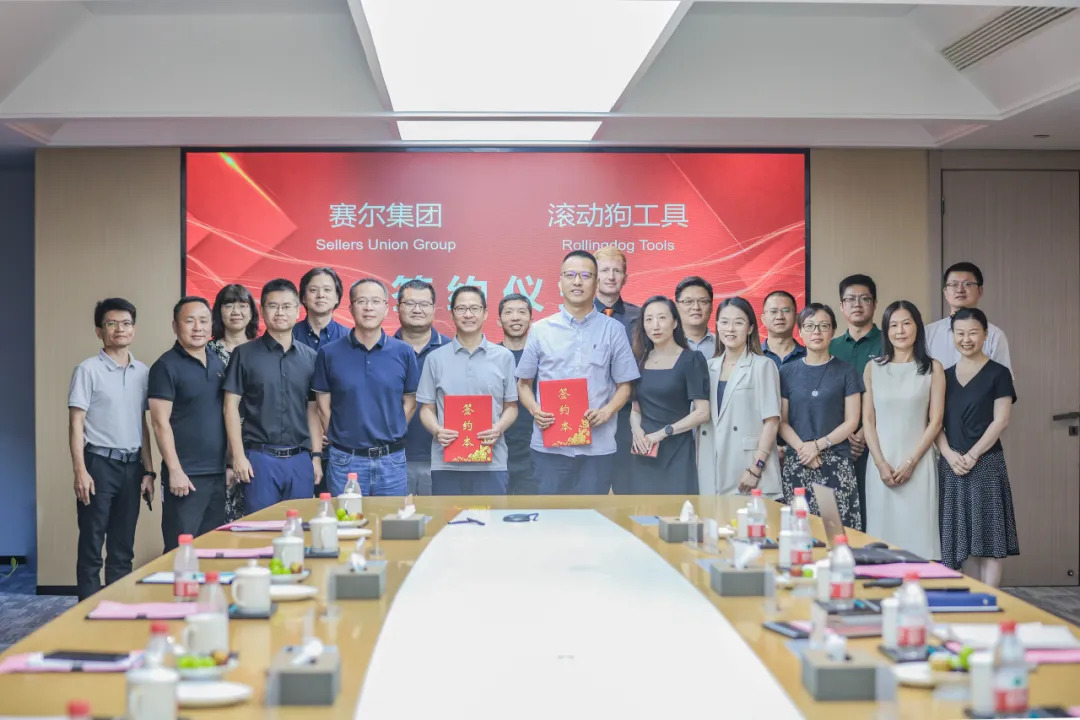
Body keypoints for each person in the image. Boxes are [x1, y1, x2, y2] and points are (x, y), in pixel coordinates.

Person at [515, 250, 640, 494]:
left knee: (591, 516)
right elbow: (523, 384)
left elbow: (625, 385)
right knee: (551, 515)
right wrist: (535, 410)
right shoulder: (540, 330)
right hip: (549, 448)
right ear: (560, 282)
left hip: (597, 449)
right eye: (570, 275)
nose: (577, 282)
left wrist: (606, 411)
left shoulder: (613, 330)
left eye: (585, 275)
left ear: (596, 282)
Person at [68, 298, 155, 600]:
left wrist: (149, 471)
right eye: (112, 323)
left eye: (126, 323)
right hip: (98, 465)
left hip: (132, 467)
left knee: (122, 547)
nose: (120, 329)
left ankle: (118, 609)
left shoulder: (142, 372)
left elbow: (142, 424)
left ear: (134, 329)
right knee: (92, 546)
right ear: (99, 331)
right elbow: (76, 424)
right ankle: (88, 612)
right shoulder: (87, 370)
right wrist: (80, 471)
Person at [224, 279, 322, 514]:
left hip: (300, 460)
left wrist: (316, 457)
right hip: (260, 459)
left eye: (287, 306)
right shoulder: (244, 354)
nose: (280, 312)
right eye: (273, 306)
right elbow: (230, 406)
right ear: (262, 310)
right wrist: (238, 456)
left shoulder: (310, 357)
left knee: (299, 527)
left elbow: (313, 410)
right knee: (261, 529)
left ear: (298, 311)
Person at [935, 307, 1019, 586]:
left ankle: (989, 601)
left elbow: (1001, 420)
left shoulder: (999, 373)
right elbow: (934, 423)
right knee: (962, 542)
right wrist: (949, 455)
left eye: (973, 333)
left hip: (987, 464)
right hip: (952, 466)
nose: (966, 339)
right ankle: (969, 601)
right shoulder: (943, 375)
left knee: (990, 541)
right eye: (960, 333)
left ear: (985, 334)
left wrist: (972, 455)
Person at [313, 278, 419, 496]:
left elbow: (410, 402)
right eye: (361, 301)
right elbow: (322, 407)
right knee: (346, 517)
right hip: (345, 460)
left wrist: (391, 429)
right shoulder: (329, 353)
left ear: (386, 308)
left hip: (391, 460)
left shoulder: (404, 352)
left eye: (375, 301)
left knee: (391, 517)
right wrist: (343, 437)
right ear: (351, 308)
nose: (369, 307)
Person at [862, 301, 944, 561]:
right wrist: (880, 463)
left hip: (919, 464)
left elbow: (936, 421)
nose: (900, 331)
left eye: (906, 323)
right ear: (886, 331)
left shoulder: (933, 368)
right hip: (881, 466)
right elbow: (868, 421)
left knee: (920, 543)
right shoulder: (873, 368)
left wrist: (911, 462)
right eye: (893, 325)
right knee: (881, 544)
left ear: (917, 327)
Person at [418, 286, 519, 495]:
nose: (468, 314)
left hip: (492, 463)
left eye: (474, 308)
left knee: (491, 517)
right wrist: (437, 430)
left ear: (485, 313)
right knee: (447, 516)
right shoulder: (435, 359)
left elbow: (511, 406)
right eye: (461, 308)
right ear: (452, 313)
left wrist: (499, 428)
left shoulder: (504, 357)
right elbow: (426, 408)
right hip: (446, 464)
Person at [148, 297, 227, 550]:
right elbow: (159, 423)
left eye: (203, 321)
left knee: (212, 550)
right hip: (185, 477)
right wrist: (175, 471)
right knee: (180, 552)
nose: (197, 327)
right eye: (189, 321)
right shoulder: (165, 366)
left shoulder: (217, 363)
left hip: (217, 475)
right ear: (175, 326)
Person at [779, 303, 863, 529]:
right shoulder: (787, 371)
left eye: (823, 326)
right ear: (800, 331)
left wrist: (818, 446)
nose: (816, 332)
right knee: (799, 532)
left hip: (836, 462)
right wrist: (804, 449)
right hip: (799, 461)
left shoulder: (847, 371)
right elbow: (781, 422)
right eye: (810, 326)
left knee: (837, 533)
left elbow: (852, 421)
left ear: (833, 331)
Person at [698, 297, 782, 498]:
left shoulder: (763, 365)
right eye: (724, 322)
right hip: (711, 466)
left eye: (738, 322)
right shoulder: (708, 367)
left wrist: (756, 468)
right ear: (717, 326)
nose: (730, 329)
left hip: (748, 468)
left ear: (750, 328)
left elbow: (772, 422)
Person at [628, 296, 709, 494]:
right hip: (644, 452)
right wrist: (636, 430)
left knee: (677, 511)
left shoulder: (691, 359)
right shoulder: (639, 360)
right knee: (643, 511)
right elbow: (636, 409)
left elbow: (702, 413)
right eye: (649, 319)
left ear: (674, 322)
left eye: (662, 318)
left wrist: (663, 433)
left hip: (677, 452)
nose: (655, 325)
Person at [830, 274, 883, 529]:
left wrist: (862, 433)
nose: (857, 305)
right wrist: (844, 436)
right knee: (839, 517)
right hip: (836, 444)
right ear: (841, 306)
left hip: (878, 443)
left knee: (873, 514)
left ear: (875, 304)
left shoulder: (889, 343)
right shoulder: (831, 346)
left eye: (864, 299)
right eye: (850, 299)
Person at [208, 284, 259, 522]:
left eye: (242, 305)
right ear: (219, 311)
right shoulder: (206, 351)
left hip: (257, 444)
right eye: (228, 305)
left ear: (252, 312)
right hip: (216, 446)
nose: (236, 311)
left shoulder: (262, 350)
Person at [393, 279, 449, 496]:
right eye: (410, 304)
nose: (417, 310)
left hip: (442, 457)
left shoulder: (451, 349)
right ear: (398, 307)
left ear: (434, 309)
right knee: (394, 517)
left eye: (424, 304)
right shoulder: (383, 349)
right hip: (392, 457)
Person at [593, 246, 641, 495]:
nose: (611, 277)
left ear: (625, 277)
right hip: (589, 416)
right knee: (589, 491)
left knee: (629, 491)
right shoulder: (579, 317)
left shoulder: (642, 318)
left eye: (617, 271)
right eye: (604, 270)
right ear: (594, 275)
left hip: (629, 417)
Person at [926, 262, 1012, 372]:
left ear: (980, 291)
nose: (960, 290)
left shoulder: (994, 335)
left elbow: (1003, 378)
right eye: (953, 284)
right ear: (945, 292)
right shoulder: (928, 333)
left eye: (968, 284)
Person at [497, 293, 537, 494]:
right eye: (509, 312)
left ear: (531, 318)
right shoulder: (489, 356)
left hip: (535, 451)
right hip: (495, 448)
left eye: (522, 312)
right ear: (499, 320)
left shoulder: (543, 357)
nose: (515, 317)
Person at [293, 267, 349, 351]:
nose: (320, 295)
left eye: (327, 290)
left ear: (337, 298)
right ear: (303, 297)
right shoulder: (289, 335)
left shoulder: (349, 338)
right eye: (313, 290)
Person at [761, 290, 806, 368]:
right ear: (763, 319)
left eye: (786, 311)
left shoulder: (809, 357)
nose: (780, 317)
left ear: (796, 317)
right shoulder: (753, 355)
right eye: (773, 311)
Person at [675, 276, 716, 357]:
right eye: (688, 301)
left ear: (711, 307)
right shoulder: (666, 344)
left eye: (703, 301)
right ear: (677, 307)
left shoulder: (723, 345)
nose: (696, 307)